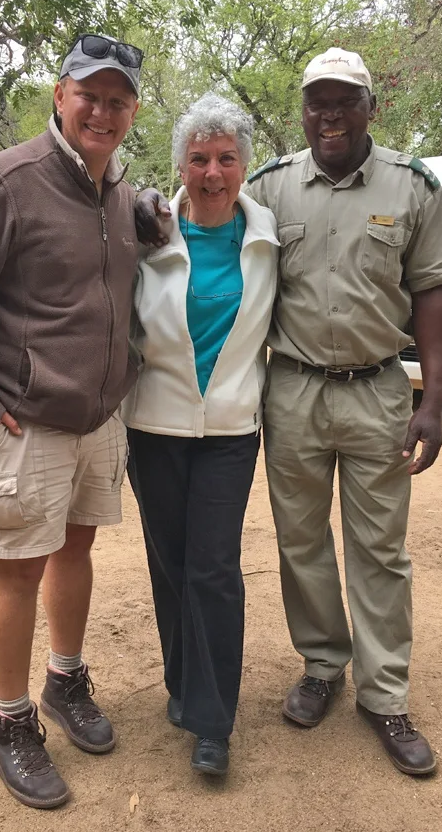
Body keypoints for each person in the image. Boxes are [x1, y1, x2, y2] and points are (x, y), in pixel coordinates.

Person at [134, 48, 442, 776]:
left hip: (379, 387)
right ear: (303, 111)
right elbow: (202, 210)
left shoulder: (413, 186)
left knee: (380, 548)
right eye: (317, 102)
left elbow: (434, 290)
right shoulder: (273, 188)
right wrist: (147, 206)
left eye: (345, 101)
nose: (330, 115)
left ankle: (384, 695)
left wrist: (434, 399)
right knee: (302, 543)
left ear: (370, 108)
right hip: (292, 392)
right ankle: (322, 665)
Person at [0, 33, 142, 809]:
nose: (102, 110)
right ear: (60, 94)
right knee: (16, 569)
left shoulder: (117, 191)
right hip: (24, 427)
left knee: (75, 549)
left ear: (132, 111)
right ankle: (9, 723)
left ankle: (64, 679)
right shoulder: (1, 183)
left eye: (118, 100)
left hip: (97, 421)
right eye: (90, 94)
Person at [123, 93, 279, 776]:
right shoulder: (150, 232)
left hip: (229, 430)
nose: (212, 172)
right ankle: (182, 688)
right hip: (154, 424)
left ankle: (213, 724)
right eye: (198, 158)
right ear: (180, 164)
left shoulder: (270, 237)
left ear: (244, 164)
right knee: (171, 564)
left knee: (213, 569)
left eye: (225, 158)